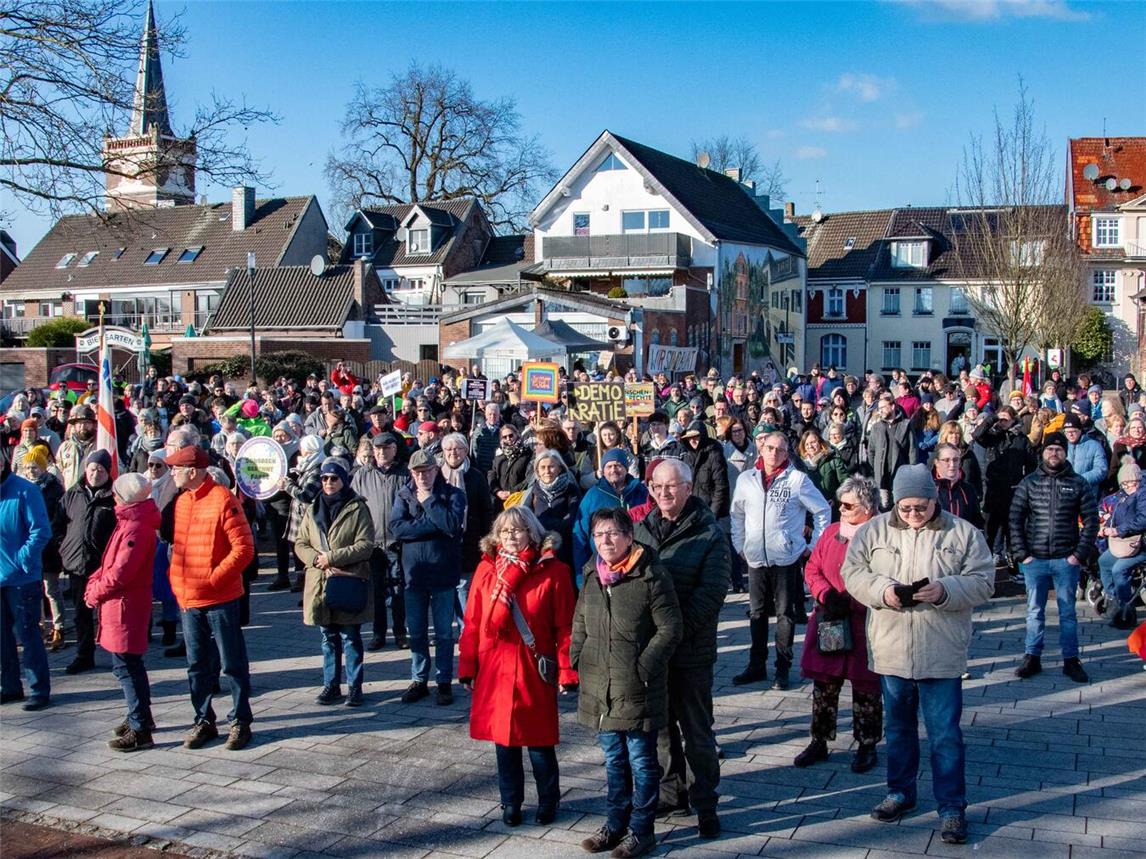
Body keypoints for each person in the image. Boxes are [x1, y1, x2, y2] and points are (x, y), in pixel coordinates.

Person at [841, 463, 994, 846]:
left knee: (945, 735)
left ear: (933, 499)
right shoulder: (874, 530)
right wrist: (882, 591)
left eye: (921, 507)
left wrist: (946, 590)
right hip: (891, 649)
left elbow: (984, 581)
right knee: (898, 730)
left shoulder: (963, 533)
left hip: (941, 652)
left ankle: (952, 807)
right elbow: (852, 572)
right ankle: (900, 792)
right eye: (905, 508)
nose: (913, 514)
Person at [571, 508, 682, 859]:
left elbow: (670, 628)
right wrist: (578, 656)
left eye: (613, 533)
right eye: (599, 534)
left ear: (629, 536)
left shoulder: (650, 575)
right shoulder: (592, 573)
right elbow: (580, 620)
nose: (605, 540)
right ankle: (614, 824)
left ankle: (641, 831)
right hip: (600, 686)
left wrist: (644, 666)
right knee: (613, 760)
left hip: (636, 687)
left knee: (642, 762)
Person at [458, 506, 577, 827]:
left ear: (532, 533)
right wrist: (467, 666)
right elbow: (472, 622)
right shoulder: (486, 569)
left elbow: (565, 627)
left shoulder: (553, 571)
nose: (511, 536)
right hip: (494, 667)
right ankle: (510, 801)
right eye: (505, 531)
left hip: (532, 667)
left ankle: (548, 800)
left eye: (518, 530)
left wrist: (567, 670)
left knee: (540, 742)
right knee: (504, 743)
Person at [632, 459, 729, 839]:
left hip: (690, 650)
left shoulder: (709, 532)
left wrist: (671, 633)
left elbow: (712, 594)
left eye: (671, 486)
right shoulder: (641, 528)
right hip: (654, 652)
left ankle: (706, 803)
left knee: (697, 731)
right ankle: (672, 794)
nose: (664, 493)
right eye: (657, 487)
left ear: (689, 488)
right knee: (660, 728)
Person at [167, 443, 257, 751]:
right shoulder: (182, 502)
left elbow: (244, 549)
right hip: (189, 599)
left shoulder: (223, 498)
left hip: (220, 599)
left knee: (232, 663)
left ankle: (240, 720)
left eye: (176, 468)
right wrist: (177, 582)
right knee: (197, 665)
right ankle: (203, 719)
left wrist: (213, 579)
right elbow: (179, 549)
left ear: (192, 471)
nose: (172, 473)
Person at [795, 476, 883, 773]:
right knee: (825, 683)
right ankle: (819, 740)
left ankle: (867, 743)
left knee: (867, 686)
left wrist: (855, 599)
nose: (841, 510)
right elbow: (812, 568)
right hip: (830, 619)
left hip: (865, 622)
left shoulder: (881, 536)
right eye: (840, 504)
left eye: (848, 505)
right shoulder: (832, 532)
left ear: (867, 508)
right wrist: (826, 594)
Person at [731, 431, 830, 690]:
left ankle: (782, 668)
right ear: (761, 449)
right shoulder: (746, 479)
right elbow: (737, 514)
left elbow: (822, 510)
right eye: (770, 448)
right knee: (757, 613)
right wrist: (739, 544)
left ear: (787, 453)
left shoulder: (797, 480)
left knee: (785, 614)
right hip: (755, 557)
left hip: (785, 557)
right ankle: (756, 665)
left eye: (780, 449)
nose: (774, 453)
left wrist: (812, 546)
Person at [1008, 431, 1098, 683]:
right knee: (1034, 610)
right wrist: (1022, 554)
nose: (1054, 453)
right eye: (1050, 449)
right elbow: (1015, 518)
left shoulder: (1078, 483)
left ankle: (1071, 660)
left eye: (1059, 449)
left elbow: (1091, 521)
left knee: (1067, 613)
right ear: (1043, 452)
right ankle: (1032, 656)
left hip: (1066, 559)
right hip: (1034, 559)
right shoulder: (1029, 482)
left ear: (1065, 453)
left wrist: (1078, 555)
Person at [83, 473, 160, 751]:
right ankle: (140, 716)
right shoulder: (130, 521)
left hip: (126, 606)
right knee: (129, 665)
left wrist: (95, 591)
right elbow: (110, 564)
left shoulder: (136, 527)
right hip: (123, 604)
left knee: (126, 667)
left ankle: (140, 729)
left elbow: (120, 572)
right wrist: (95, 581)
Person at [389, 449, 468, 705]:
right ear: (411, 473)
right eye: (417, 472)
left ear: (436, 470)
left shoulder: (453, 494)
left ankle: (444, 680)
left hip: (443, 573)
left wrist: (429, 502)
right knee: (417, 632)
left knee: (444, 633)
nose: (422, 476)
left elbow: (452, 525)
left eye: (427, 471)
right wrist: (434, 524)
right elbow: (397, 529)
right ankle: (419, 679)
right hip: (414, 575)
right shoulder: (403, 494)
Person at [295, 458, 374, 707]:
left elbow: (365, 545)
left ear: (344, 480)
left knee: (350, 636)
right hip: (320, 582)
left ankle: (354, 686)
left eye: (334, 478)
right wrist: (315, 559)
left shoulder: (357, 508)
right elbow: (300, 542)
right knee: (328, 637)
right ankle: (331, 685)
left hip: (347, 579)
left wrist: (332, 557)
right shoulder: (313, 508)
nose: (328, 482)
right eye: (324, 478)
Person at [58, 449, 118, 675]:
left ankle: (119, 655)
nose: (96, 474)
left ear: (108, 472)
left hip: (104, 566)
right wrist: (63, 547)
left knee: (110, 613)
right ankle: (84, 655)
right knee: (81, 614)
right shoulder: (72, 494)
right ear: (86, 470)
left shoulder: (115, 497)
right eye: (92, 469)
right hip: (77, 565)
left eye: (101, 470)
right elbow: (58, 524)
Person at [0, 453, 52, 711]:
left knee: (28, 635)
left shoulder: (25, 491)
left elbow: (40, 531)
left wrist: (21, 559)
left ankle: (38, 689)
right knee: (2, 638)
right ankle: (9, 686)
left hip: (22, 579)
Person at [351, 432, 409, 650]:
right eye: (378, 449)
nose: (382, 452)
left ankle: (401, 632)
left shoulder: (404, 474)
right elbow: (353, 507)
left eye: (386, 448)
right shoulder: (362, 475)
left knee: (398, 590)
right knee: (375, 591)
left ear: (394, 450)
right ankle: (378, 633)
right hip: (372, 543)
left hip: (396, 542)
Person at [440, 433, 493, 633]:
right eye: (448, 449)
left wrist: (486, 539)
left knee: (463, 588)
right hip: (444, 542)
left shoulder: (476, 476)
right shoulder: (437, 475)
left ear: (465, 451)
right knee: (445, 590)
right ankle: (445, 632)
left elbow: (486, 509)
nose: (453, 453)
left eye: (457, 449)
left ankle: (466, 632)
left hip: (469, 540)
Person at [511, 449, 580, 573]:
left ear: (559, 468)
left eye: (551, 467)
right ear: (537, 471)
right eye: (542, 467)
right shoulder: (533, 491)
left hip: (564, 550)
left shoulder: (571, 490)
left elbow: (571, 520)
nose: (547, 471)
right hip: (539, 550)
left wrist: (541, 524)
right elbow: (525, 518)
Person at [1095, 462, 1145, 630]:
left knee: (1119, 570)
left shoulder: (1143, 495)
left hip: (1141, 544)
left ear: (1138, 480)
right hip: (1125, 543)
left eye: (1132, 483)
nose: (1129, 487)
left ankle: (1126, 610)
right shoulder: (1122, 495)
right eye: (1124, 483)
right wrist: (1105, 527)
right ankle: (1113, 600)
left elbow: (1142, 520)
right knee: (1104, 562)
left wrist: (1118, 530)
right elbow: (1115, 515)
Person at [867, 392, 918, 510]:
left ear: (893, 406)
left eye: (883, 407)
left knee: (899, 507)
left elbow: (912, 451)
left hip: (901, 476)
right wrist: (875, 469)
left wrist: (912, 472)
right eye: (879, 409)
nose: (880, 411)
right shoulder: (876, 427)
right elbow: (871, 451)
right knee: (883, 508)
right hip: (882, 477)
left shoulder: (906, 425)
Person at [932, 443, 984, 528]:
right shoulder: (929, 489)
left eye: (955, 460)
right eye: (946, 460)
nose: (952, 464)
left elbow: (977, 522)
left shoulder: (968, 489)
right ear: (937, 462)